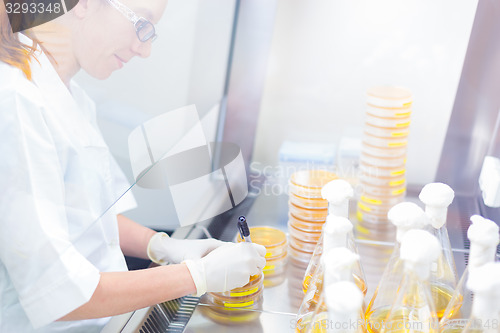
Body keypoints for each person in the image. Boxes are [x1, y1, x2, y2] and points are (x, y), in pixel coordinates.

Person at [0, 0, 267, 332]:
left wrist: (162, 245)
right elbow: (59, 291)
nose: (144, 51)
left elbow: (90, 217)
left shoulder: (69, 94)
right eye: (142, 24)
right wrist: (195, 276)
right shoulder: (17, 102)